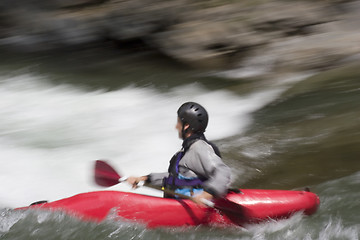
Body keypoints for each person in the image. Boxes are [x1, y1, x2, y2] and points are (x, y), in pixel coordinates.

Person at [126, 102, 231, 206]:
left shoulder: (199, 148)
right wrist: (145, 179)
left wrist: (207, 194)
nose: (176, 127)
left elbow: (223, 171)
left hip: (197, 205)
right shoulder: (186, 150)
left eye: (178, 123)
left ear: (186, 126)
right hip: (181, 202)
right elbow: (178, 178)